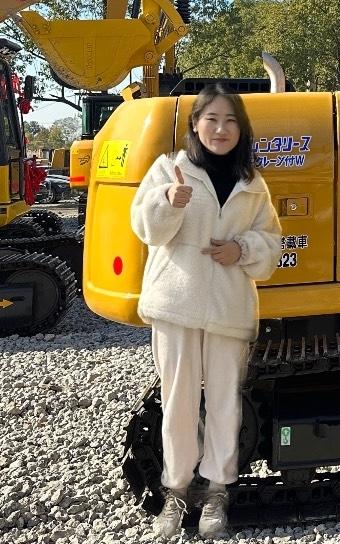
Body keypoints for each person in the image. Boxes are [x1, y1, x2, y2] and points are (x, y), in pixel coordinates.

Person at [130, 85, 282, 540]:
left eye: (231, 120)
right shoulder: (169, 169)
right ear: (196, 124)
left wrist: (243, 248)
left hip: (229, 306)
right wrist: (167, 203)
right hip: (176, 304)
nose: (221, 129)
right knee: (177, 402)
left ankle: (217, 491)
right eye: (211, 119)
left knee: (223, 403)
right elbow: (144, 228)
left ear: (242, 128)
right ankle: (176, 492)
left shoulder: (253, 184)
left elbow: (272, 245)